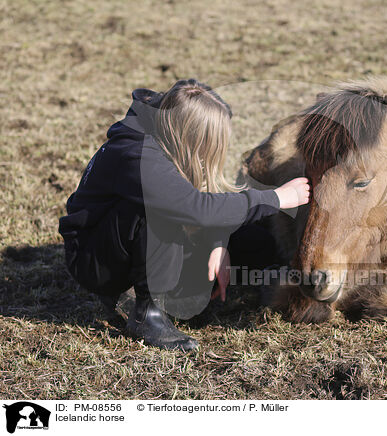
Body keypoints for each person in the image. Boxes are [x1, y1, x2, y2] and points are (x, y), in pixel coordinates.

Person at [58, 79, 310, 351]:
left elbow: (205, 200)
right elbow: (194, 208)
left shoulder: (166, 132)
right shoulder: (137, 156)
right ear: (188, 134)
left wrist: (219, 242)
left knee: (255, 241)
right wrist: (277, 198)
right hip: (96, 260)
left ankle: (182, 291)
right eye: (209, 142)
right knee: (161, 211)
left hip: (135, 241)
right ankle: (147, 313)